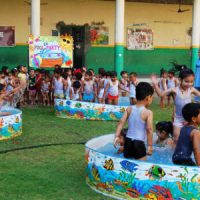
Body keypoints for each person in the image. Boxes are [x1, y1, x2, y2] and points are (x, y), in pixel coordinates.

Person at [151, 68, 200, 145]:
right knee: (176, 139)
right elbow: (161, 94)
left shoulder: (191, 89)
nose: (189, 84)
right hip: (178, 119)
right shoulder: (174, 90)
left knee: (193, 139)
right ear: (180, 79)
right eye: (186, 81)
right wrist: (155, 85)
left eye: (191, 82)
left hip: (190, 119)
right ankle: (174, 155)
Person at [114, 82, 154, 160]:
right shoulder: (148, 113)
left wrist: (116, 136)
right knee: (142, 164)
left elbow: (121, 122)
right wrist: (150, 146)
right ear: (148, 97)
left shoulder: (129, 108)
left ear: (136, 95)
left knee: (128, 163)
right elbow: (149, 129)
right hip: (138, 143)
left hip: (128, 141)